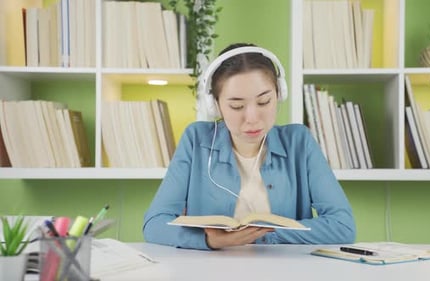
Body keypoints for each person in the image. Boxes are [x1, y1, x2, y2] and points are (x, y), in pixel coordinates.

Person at [143, 43, 356, 250]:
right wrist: (211, 241)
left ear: (279, 93)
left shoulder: (298, 141)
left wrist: (263, 234)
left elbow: (343, 226)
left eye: (264, 102)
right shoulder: (196, 140)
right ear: (215, 105)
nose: (252, 118)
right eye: (236, 106)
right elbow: (154, 224)